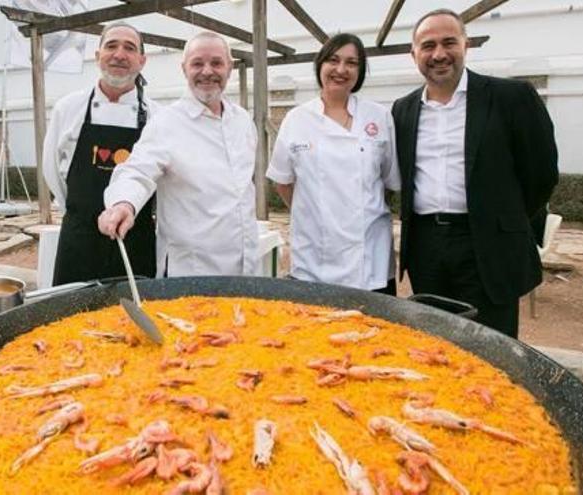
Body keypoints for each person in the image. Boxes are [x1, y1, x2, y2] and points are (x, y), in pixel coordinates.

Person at [392, 9, 558, 338]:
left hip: (488, 243)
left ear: (465, 45)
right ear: (414, 55)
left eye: (448, 42)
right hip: (426, 246)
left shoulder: (512, 98)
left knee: (491, 343)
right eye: (428, 46)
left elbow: (541, 175)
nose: (439, 54)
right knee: (434, 341)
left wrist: (501, 218)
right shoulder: (403, 109)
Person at [98, 32, 258, 277]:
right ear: (184, 69)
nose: (207, 71)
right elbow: (137, 170)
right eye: (197, 63)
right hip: (191, 270)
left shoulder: (243, 120)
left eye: (216, 63)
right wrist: (123, 203)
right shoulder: (167, 122)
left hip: (244, 264)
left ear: (230, 68)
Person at [267, 33, 400, 294]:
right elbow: (282, 182)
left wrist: (359, 208)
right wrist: (317, 214)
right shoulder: (297, 119)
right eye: (333, 60)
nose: (341, 69)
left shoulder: (379, 116)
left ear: (359, 72)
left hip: (369, 261)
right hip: (314, 260)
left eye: (351, 63)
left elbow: (388, 182)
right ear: (320, 65)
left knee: (380, 333)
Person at [43, 21, 159, 285]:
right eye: (111, 46)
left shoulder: (157, 116)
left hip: (135, 241)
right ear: (97, 56)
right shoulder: (67, 108)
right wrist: (79, 211)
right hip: (79, 239)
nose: (119, 54)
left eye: (129, 48)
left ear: (142, 60)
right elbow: (52, 171)